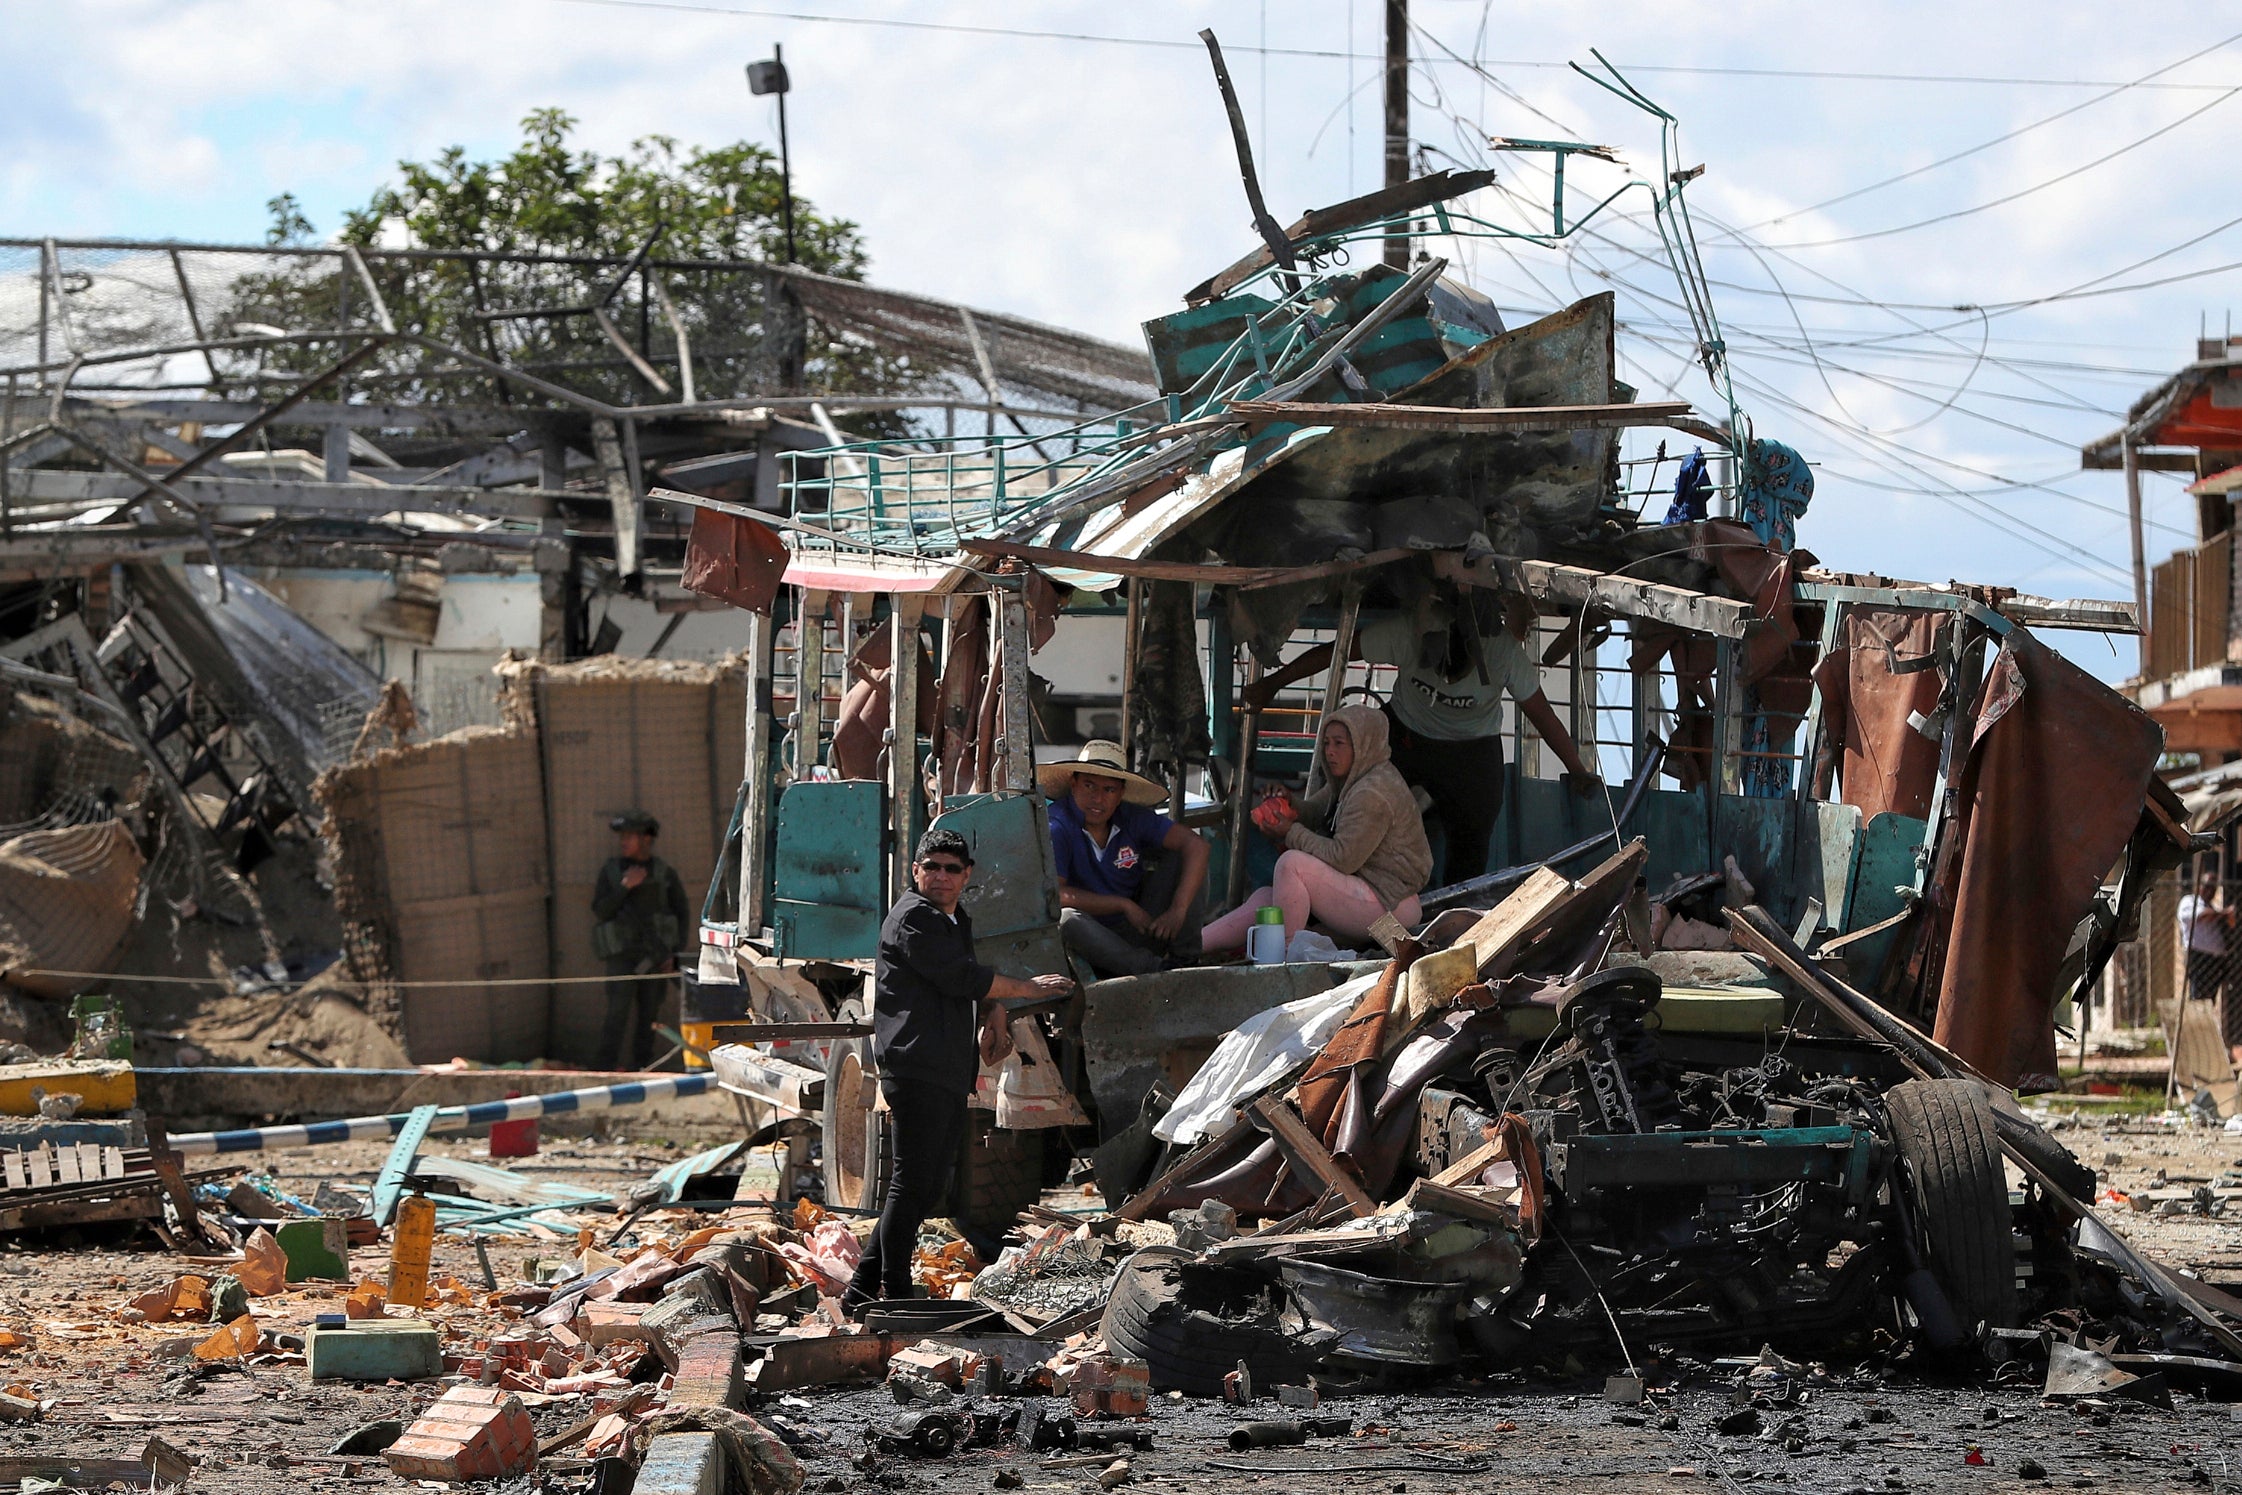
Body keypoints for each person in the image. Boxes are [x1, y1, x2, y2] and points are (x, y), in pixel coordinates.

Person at [845, 829, 1074, 1311]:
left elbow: (964, 980)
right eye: (932, 867)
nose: (942, 877)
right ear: (915, 871)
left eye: (952, 869)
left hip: (946, 1068)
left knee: (925, 1188)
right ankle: (896, 1297)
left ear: (966, 876)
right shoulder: (914, 919)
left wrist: (994, 1011)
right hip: (917, 1067)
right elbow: (961, 976)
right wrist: (1026, 990)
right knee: (912, 1186)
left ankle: (861, 1291)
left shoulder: (953, 918)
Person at [1357, 589, 1597, 886]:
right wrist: (1279, 679)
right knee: (1363, 806)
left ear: (1478, 654)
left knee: (1472, 842)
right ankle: (1356, 883)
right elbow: (1333, 652)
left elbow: (1544, 718)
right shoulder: (1408, 632)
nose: (1448, 683)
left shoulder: (1504, 652)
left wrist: (1577, 770)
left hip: (1472, 750)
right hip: (1407, 732)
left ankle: (1453, 911)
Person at [1202, 704, 1432, 954]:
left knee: (1291, 865)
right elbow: (1317, 810)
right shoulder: (1354, 778)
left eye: (1339, 744)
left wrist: (1289, 832)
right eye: (1326, 743)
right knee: (1268, 899)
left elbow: (1342, 859)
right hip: (1369, 895)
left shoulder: (1372, 793)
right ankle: (1195, 945)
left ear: (1363, 744)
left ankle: (1285, 959)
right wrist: (1291, 804)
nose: (1330, 752)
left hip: (1390, 905)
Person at [1040, 741, 1210, 977]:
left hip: (1138, 928)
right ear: (1074, 784)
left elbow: (1197, 845)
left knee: (1185, 859)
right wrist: (1122, 904)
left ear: (1121, 794)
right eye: (1089, 786)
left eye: (1109, 790)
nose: (1098, 799)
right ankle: (1155, 970)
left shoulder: (1131, 817)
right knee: (1068, 920)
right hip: (1088, 943)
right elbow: (1057, 896)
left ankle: (1186, 961)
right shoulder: (1057, 825)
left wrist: (1177, 910)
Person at [590, 811, 690, 1071]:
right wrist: (625, 887)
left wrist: (673, 955)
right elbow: (600, 910)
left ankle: (641, 1071)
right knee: (616, 1014)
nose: (623, 841)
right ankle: (604, 1071)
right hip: (622, 955)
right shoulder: (612, 872)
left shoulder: (663, 873)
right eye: (621, 836)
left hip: (655, 956)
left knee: (649, 1017)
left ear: (646, 839)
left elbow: (682, 912)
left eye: (629, 836)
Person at [2178, 867, 2238, 1063]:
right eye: (2207, 886)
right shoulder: (2190, 902)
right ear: (2199, 886)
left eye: (2213, 887)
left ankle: (2220, 1045)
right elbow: (2202, 916)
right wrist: (2224, 913)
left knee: (2212, 1002)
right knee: (2199, 1002)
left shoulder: (2213, 906)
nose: (2210, 890)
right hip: (2200, 958)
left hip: (2217, 960)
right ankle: (2194, 1046)